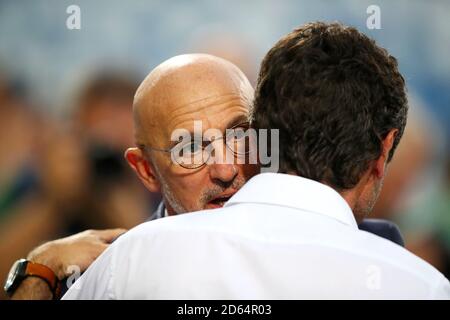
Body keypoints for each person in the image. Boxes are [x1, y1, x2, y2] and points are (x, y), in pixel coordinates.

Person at [62, 22, 450, 299]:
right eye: (191, 148)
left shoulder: (381, 249)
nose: (227, 168)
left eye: (239, 135)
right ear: (145, 169)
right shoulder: (114, 266)